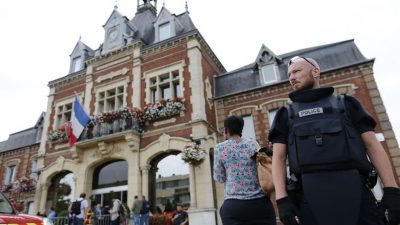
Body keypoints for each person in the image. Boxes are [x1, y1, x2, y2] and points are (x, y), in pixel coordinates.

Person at [269, 56, 400, 225]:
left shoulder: (346, 104)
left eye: (297, 71)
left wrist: (391, 190)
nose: (292, 77)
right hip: (309, 197)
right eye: (289, 74)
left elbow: (372, 144)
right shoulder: (285, 114)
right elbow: (278, 158)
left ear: (316, 72)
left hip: (357, 194)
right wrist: (282, 199)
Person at [213, 115, 276, 225]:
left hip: (234, 206)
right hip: (260, 203)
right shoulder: (253, 143)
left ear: (226, 130)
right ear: (241, 129)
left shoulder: (220, 148)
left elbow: (219, 178)